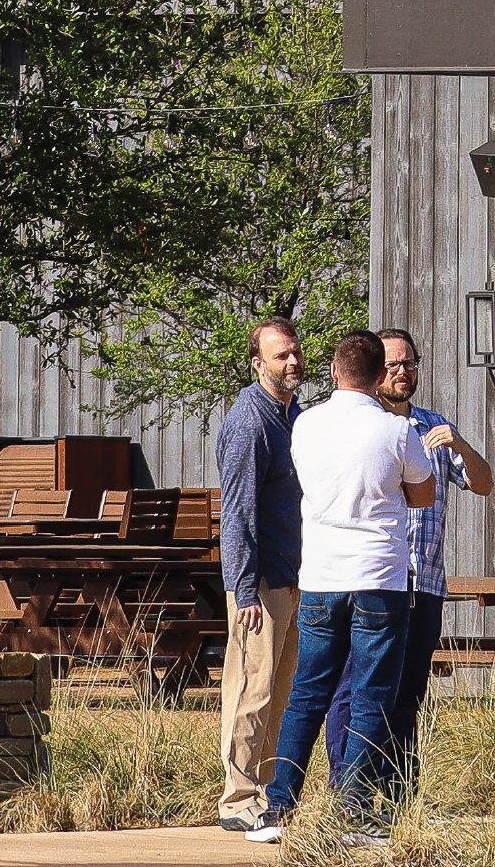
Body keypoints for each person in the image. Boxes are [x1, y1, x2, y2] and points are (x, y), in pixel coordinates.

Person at [256, 331, 438, 846]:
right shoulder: (395, 429)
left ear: (334, 373)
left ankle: (277, 807)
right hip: (379, 577)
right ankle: (353, 811)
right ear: (381, 376)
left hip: (319, 577)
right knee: (372, 695)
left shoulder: (306, 423)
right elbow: (422, 496)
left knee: (308, 693)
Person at [323, 327, 495, 785]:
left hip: (424, 582)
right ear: (376, 370)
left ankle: (397, 792)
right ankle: (347, 790)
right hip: (371, 580)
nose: (403, 372)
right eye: (394, 364)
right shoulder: (359, 428)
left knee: (408, 692)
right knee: (353, 689)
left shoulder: (431, 427)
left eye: (410, 363)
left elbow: (484, 483)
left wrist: (458, 443)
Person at [214, 319, 307, 832]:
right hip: (260, 585)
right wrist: (245, 589)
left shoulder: (293, 416)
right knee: (251, 691)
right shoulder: (250, 422)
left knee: (281, 691)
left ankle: (266, 793)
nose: (292, 362)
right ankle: (236, 799)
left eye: (295, 353)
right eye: (280, 357)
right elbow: (238, 514)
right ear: (258, 364)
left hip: (292, 577)